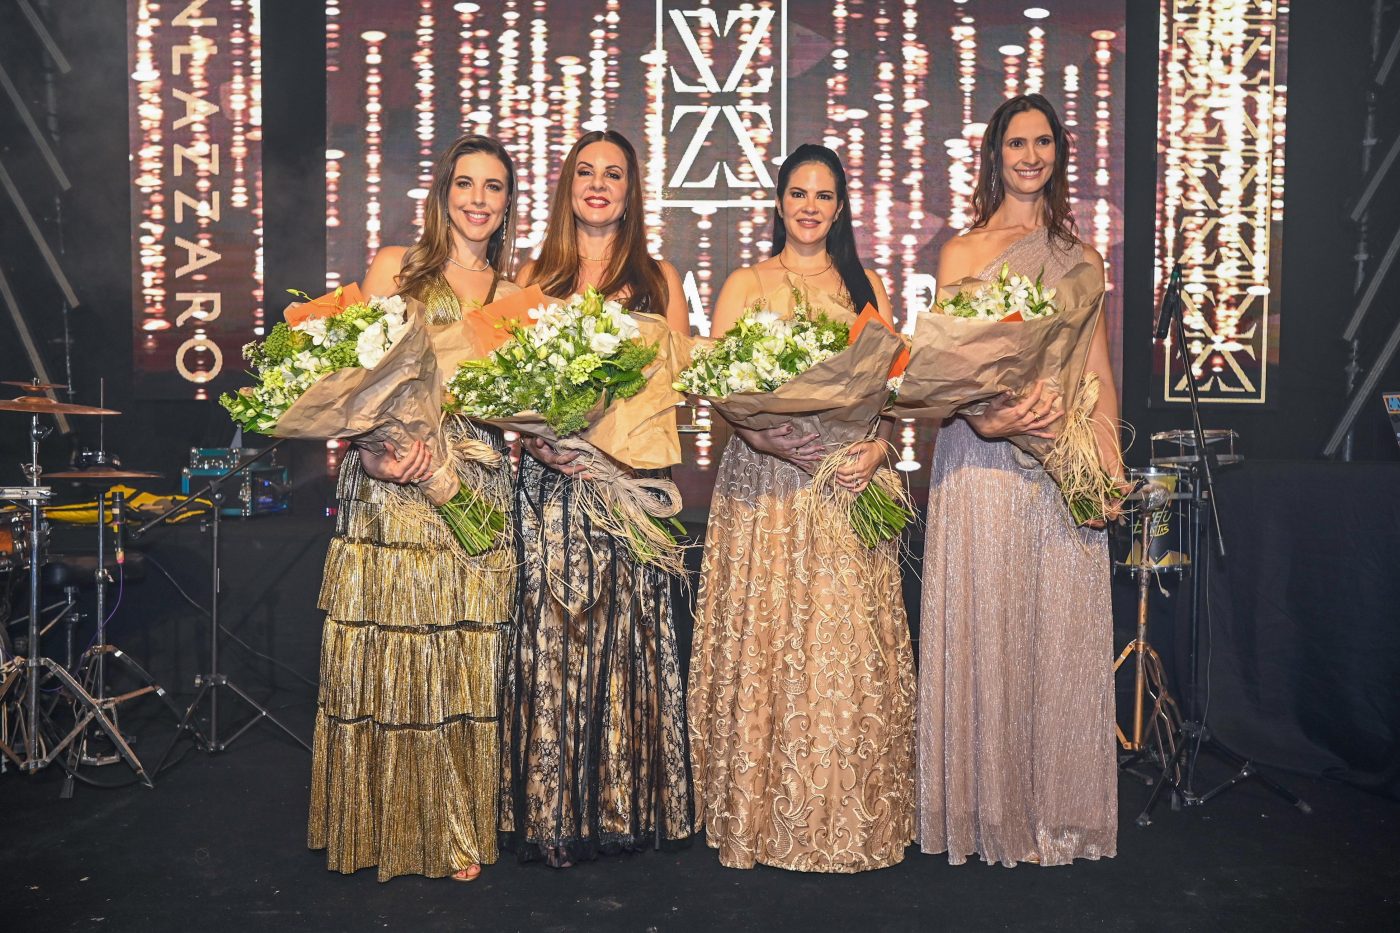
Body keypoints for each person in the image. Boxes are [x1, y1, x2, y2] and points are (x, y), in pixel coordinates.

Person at [687, 143, 916, 873]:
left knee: (843, 650)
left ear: (840, 207)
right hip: (767, 490)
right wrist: (777, 439)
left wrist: (877, 449)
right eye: (798, 193)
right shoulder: (746, 283)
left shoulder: (863, 283)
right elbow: (722, 388)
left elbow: (886, 393)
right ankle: (760, 814)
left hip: (846, 485)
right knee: (771, 643)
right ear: (779, 202)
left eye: (824, 195)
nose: (810, 206)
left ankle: (844, 816)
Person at [308, 134, 521, 883]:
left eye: (494, 187)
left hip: (471, 487)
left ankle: (455, 824)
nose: (478, 199)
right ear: (443, 192)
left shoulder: (514, 294)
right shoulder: (395, 268)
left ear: (507, 202)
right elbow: (350, 372)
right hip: (389, 483)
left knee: (460, 659)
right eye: (467, 183)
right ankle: (380, 822)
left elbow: (518, 408)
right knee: (393, 654)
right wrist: (376, 445)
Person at [917, 93, 1122, 867]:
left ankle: (1058, 815)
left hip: (1060, 459)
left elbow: (1095, 367)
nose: (1029, 157)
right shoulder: (965, 252)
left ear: (1059, 153)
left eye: (1042, 143)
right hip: (985, 461)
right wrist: (995, 421)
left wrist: (1104, 465)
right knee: (992, 626)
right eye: (1015, 144)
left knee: (1057, 633)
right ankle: (988, 813)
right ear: (995, 155)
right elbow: (946, 372)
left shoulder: (1082, 257)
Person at [500, 129, 693, 867]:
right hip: (549, 487)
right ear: (567, 186)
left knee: (626, 644)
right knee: (552, 644)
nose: (599, 184)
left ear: (630, 189)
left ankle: (620, 806)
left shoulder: (658, 278)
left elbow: (673, 386)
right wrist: (542, 439)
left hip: (623, 490)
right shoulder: (533, 276)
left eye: (613, 174)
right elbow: (504, 383)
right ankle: (552, 813)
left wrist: (611, 446)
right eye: (586, 172)